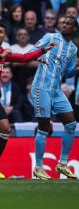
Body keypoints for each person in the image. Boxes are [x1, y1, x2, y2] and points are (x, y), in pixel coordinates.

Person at [0, 22, 54, 180]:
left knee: (5, 129)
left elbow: (22, 58)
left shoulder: (3, 51)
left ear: (4, 36)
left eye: (0, 32)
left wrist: (42, 51)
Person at [31, 15, 78, 180]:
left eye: (68, 23)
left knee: (71, 124)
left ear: (74, 29)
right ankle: (38, 167)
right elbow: (32, 51)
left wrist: (77, 68)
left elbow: (69, 72)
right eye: (63, 22)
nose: (64, 24)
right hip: (41, 87)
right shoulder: (50, 37)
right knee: (43, 127)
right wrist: (39, 55)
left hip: (56, 90)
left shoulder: (73, 49)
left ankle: (63, 164)